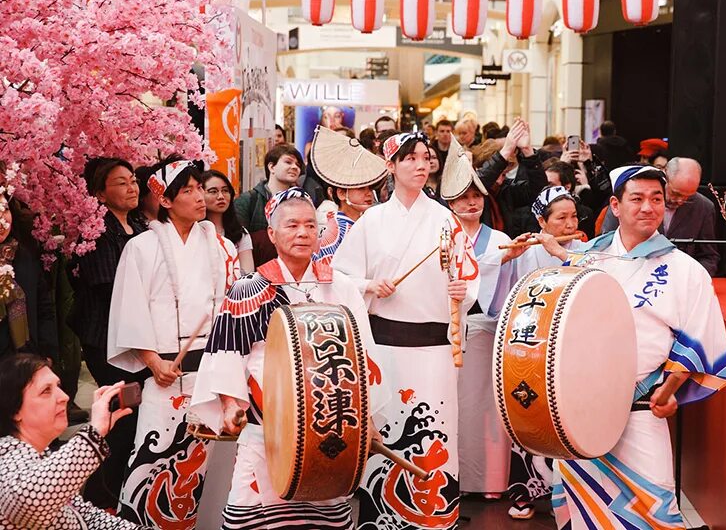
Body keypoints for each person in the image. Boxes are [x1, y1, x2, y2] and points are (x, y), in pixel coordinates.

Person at [540, 165, 726, 529]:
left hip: (642, 405)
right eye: (637, 199)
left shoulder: (684, 269)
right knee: (582, 511)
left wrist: (669, 388)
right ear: (615, 206)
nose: (648, 207)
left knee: (653, 506)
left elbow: (700, 335)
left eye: (656, 199)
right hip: (582, 409)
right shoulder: (591, 257)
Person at [190, 189, 387, 528]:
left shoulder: (340, 287)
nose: (302, 233)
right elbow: (227, 353)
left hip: (327, 427)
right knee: (251, 515)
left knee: (324, 516)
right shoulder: (249, 288)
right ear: (272, 234)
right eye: (292, 225)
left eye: (310, 226)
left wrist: (366, 420)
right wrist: (230, 403)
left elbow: (362, 355)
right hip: (265, 426)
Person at [332, 131, 479, 530]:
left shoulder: (446, 219)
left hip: (433, 349)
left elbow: (467, 274)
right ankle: (382, 517)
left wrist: (462, 290)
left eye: (425, 157)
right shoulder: (372, 221)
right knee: (387, 427)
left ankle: (434, 515)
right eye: (409, 158)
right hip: (384, 347)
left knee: (434, 428)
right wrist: (367, 286)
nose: (420, 165)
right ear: (390, 166)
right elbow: (340, 275)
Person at [107, 160, 238, 528]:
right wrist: (153, 362)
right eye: (189, 191)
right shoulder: (141, 247)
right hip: (164, 372)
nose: (201, 197)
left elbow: (231, 309)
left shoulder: (221, 246)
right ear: (165, 201)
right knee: (150, 459)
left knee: (205, 464)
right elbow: (130, 313)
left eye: (201, 188)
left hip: (209, 373)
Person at [442, 149, 526, 501]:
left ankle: (488, 481)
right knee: (448, 405)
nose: (471, 202)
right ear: (450, 202)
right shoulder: (441, 238)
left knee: (486, 409)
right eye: (463, 197)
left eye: (477, 195)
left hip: (487, 330)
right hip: (444, 333)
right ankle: (447, 477)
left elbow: (511, 287)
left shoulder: (501, 240)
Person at [68, 158, 148, 508]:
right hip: (105, 336)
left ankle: (122, 488)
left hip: (140, 336)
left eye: (133, 180)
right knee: (121, 416)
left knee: (136, 418)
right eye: (121, 182)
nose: (132, 187)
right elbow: (109, 286)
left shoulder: (142, 225)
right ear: (100, 193)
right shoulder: (95, 230)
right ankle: (99, 496)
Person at [504, 185, 586, 521]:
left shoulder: (585, 249)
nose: (570, 225)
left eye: (574, 217)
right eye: (561, 218)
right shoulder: (526, 249)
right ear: (542, 220)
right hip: (530, 349)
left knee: (571, 421)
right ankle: (524, 491)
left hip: (573, 348)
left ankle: (572, 496)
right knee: (526, 414)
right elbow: (503, 300)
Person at [0, 353, 140, 529]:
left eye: (58, 386)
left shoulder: (42, 454)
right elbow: (30, 502)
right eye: (46, 391)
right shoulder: (6, 460)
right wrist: (94, 431)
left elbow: (85, 515)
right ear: (15, 410)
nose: (64, 397)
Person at [601, 157, 720, 277]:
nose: (680, 200)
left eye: (688, 197)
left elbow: (709, 257)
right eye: (675, 193)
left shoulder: (704, 207)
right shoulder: (626, 203)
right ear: (665, 176)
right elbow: (607, 246)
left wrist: (689, 278)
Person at [308, 126, 388, 259]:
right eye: (361, 188)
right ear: (341, 194)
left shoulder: (354, 224)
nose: (369, 193)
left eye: (370, 188)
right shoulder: (338, 230)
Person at [474, 118, 548, 237]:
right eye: (496, 174)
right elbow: (479, 183)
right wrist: (507, 149)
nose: (499, 181)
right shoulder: (472, 191)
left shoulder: (506, 190)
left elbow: (538, 190)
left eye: (503, 174)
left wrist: (528, 151)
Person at [234, 144, 304, 266]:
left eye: (298, 165)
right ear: (271, 167)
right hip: (257, 271)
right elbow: (238, 241)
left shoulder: (302, 201)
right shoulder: (248, 200)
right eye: (288, 162)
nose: (294, 167)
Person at [201, 170, 254, 274]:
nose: (221, 196)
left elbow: (248, 273)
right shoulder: (194, 231)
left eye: (225, 190)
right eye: (213, 191)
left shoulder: (240, 233)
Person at [543, 160, 595, 239]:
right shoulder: (530, 212)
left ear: (567, 187)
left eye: (550, 185)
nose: (545, 188)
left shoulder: (585, 214)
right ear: (541, 221)